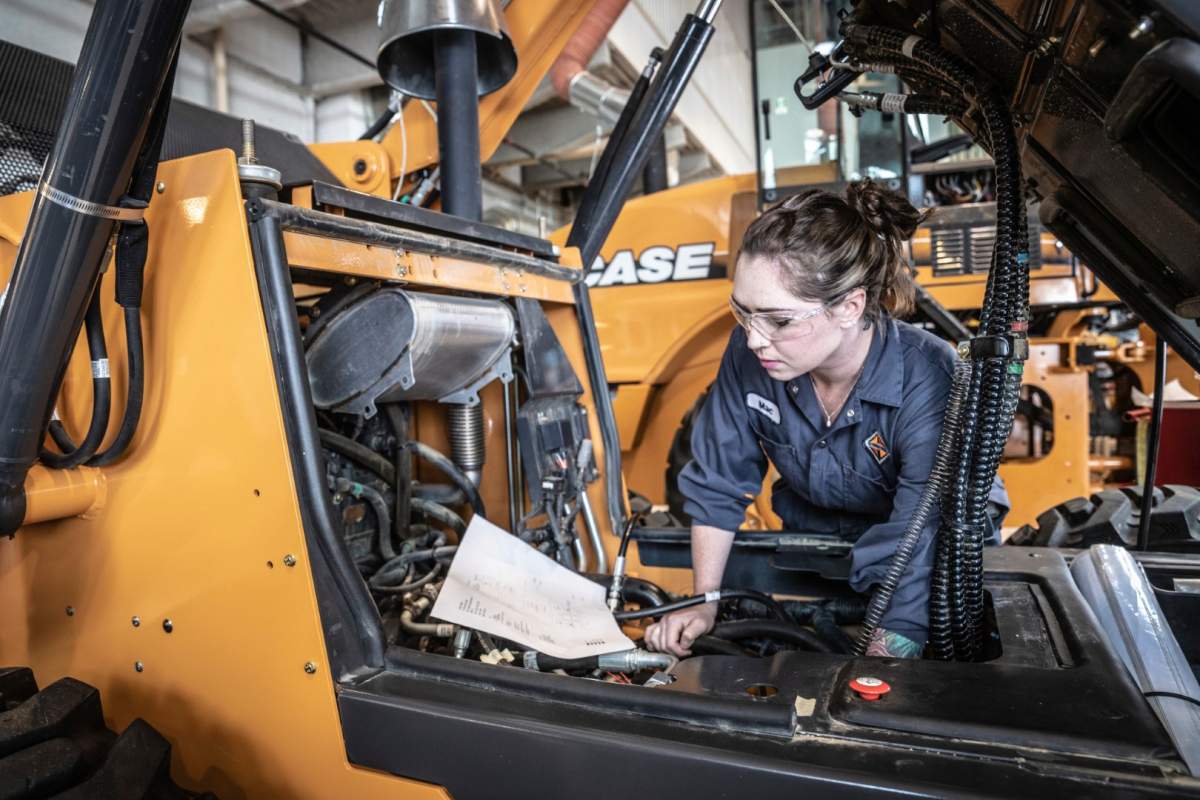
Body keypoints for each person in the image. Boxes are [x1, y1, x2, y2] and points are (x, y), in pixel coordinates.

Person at [644, 181, 1007, 659]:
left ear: (849, 307)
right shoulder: (752, 353)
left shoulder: (931, 378)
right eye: (743, 313)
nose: (754, 339)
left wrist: (896, 636)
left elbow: (922, 531)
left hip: (925, 565)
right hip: (817, 554)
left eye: (778, 320)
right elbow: (719, 481)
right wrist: (704, 601)